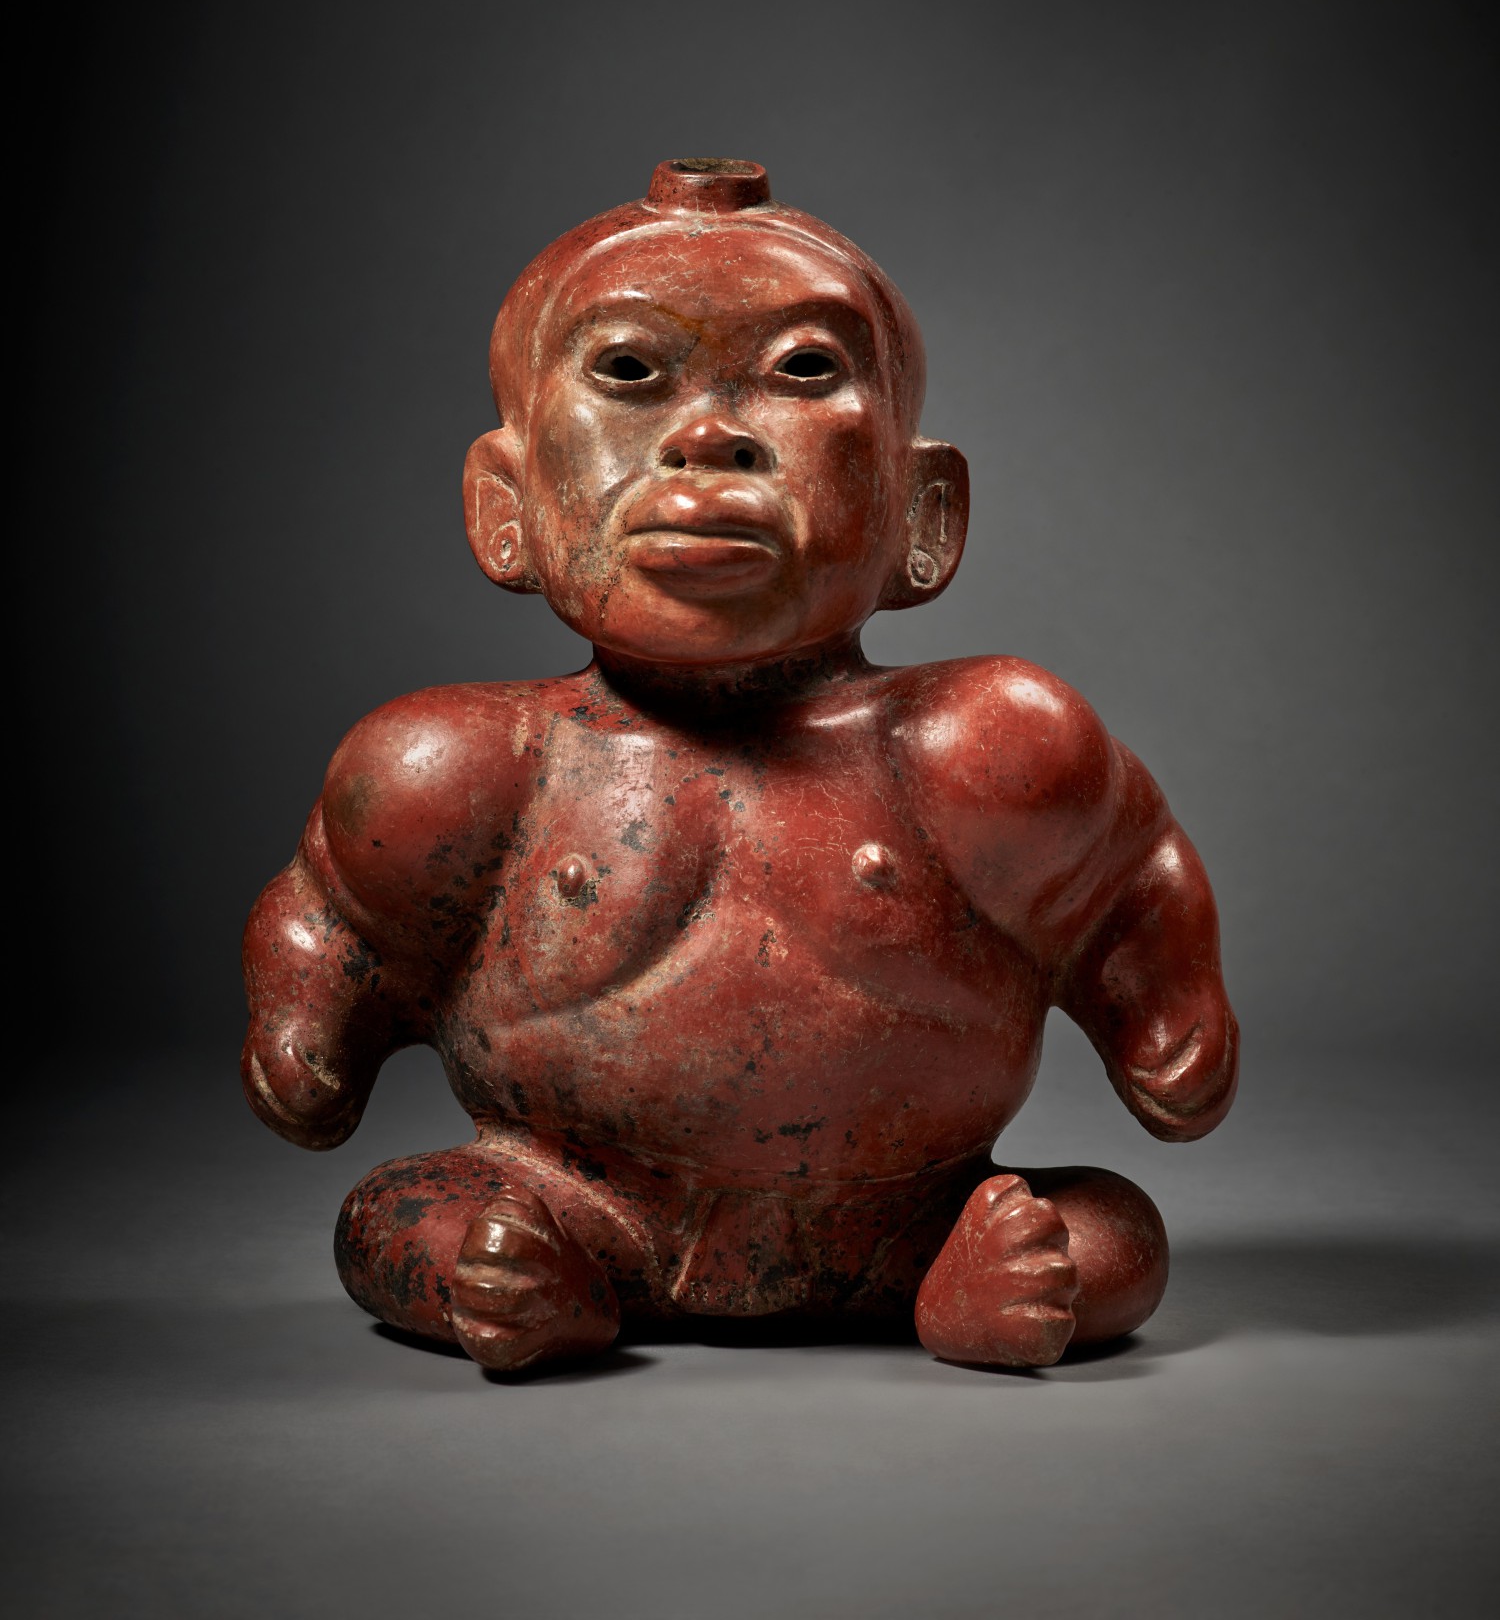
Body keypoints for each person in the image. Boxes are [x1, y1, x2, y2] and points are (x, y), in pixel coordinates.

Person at [242, 157, 1238, 1373]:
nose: (709, 435)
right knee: (397, 1218)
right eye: (630, 372)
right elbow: (332, 919)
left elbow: (1127, 885)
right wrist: (307, 1028)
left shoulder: (986, 742)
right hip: (566, 1194)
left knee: (1108, 1232)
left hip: (919, 1211)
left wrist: (1167, 1017)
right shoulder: (456, 766)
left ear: (924, 512)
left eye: (802, 370)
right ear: (506, 504)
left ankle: (981, 1288)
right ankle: (536, 1283)